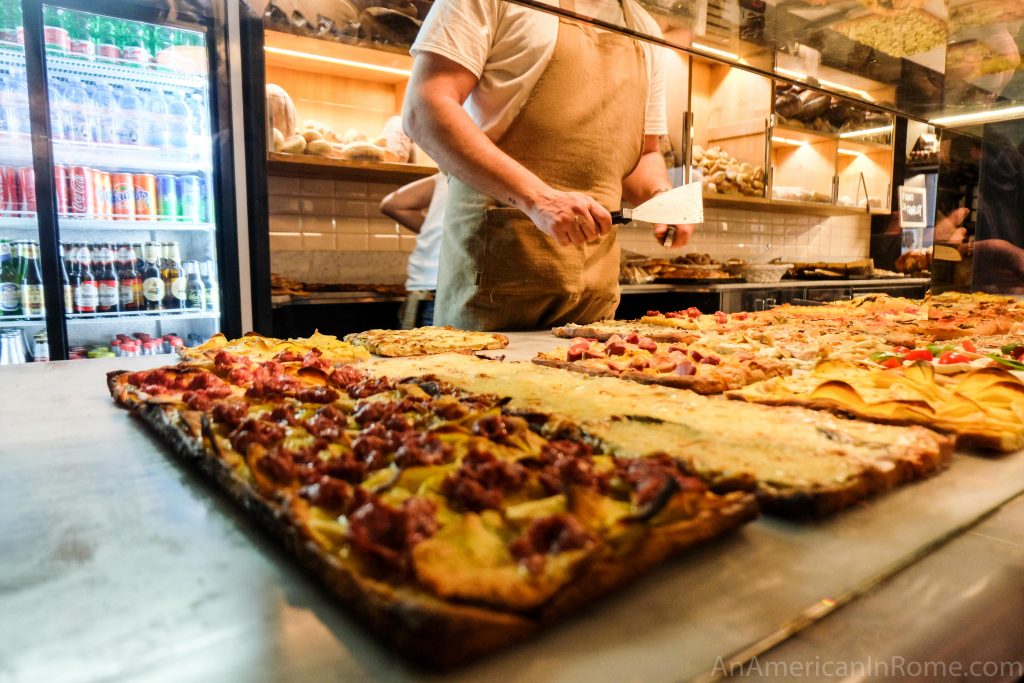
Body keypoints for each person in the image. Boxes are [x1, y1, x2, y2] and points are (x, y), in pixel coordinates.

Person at [403, 0, 695, 331]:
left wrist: (661, 197)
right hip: (496, 285)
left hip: (594, 299)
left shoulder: (644, 29)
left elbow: (645, 154)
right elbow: (425, 109)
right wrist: (538, 199)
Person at [380, 173, 448, 327]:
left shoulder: (447, 173)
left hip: (421, 292)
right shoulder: (502, 172)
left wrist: (444, 234)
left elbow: (394, 204)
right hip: (447, 294)